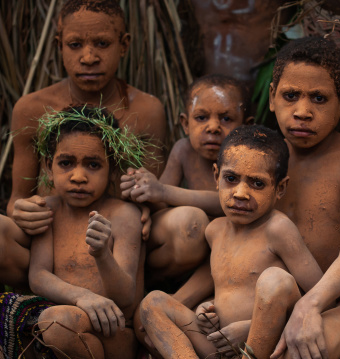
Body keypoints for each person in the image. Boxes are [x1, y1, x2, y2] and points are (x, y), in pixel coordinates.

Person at [130, 37, 340, 359]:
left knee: (300, 348)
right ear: (273, 97)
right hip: (253, 310)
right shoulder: (262, 152)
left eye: (319, 98)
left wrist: (310, 304)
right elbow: (227, 216)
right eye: (291, 96)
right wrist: (161, 196)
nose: (303, 112)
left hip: (327, 301)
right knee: (155, 306)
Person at [0, 0, 167, 289]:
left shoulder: (147, 111)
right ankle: (48, 287)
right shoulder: (31, 109)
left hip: (120, 249)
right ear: (59, 45)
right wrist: (22, 211)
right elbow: (18, 197)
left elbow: (153, 196)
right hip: (47, 245)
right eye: (75, 45)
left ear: (123, 45)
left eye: (102, 43)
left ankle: (127, 292)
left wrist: (147, 211)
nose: (89, 57)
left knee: (187, 226)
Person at [138, 125, 324, 359]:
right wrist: (205, 311)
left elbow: (319, 298)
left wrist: (251, 327)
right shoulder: (215, 231)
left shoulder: (278, 229)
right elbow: (227, 286)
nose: (240, 193)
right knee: (152, 303)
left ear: (280, 188)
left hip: (262, 346)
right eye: (231, 179)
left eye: (257, 183)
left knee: (277, 281)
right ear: (217, 177)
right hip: (217, 344)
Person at [6, 105, 146, 358]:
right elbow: (38, 275)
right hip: (65, 322)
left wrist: (103, 254)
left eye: (93, 165)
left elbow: (125, 297)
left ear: (113, 170)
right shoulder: (47, 209)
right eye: (66, 163)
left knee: (55, 323)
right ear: (49, 166)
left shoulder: (124, 215)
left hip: (114, 331)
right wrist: (82, 296)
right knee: (54, 322)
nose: (78, 176)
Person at [120, 74, 253, 288]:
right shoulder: (184, 150)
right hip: (185, 246)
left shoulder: (246, 158)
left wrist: (163, 191)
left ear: (246, 127)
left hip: (224, 254)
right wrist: (141, 191)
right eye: (201, 118)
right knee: (185, 222)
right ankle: (146, 284)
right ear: (185, 123)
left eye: (226, 119)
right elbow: (160, 203)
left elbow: (225, 202)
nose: (213, 127)